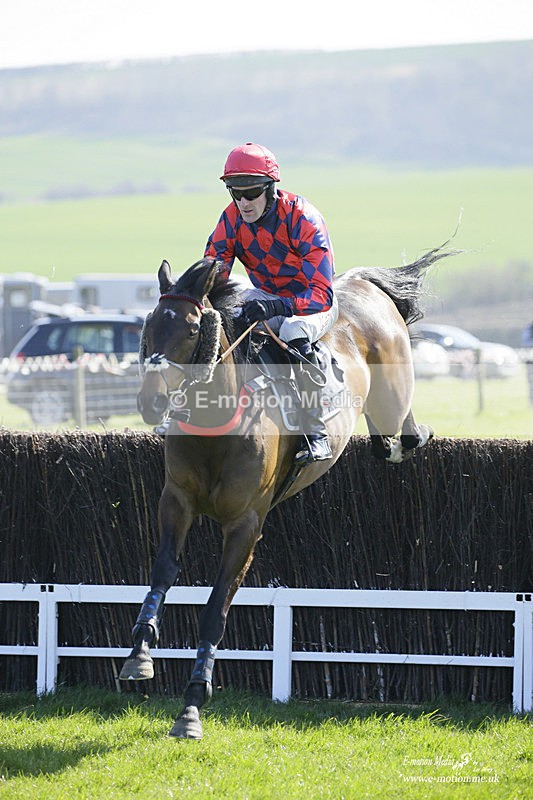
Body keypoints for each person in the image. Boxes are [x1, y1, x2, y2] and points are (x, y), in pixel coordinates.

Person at [204, 142, 338, 464]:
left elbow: (322, 293)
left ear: (270, 188)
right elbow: (213, 271)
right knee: (225, 318)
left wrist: (277, 307)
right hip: (268, 296)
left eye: (251, 193)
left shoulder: (303, 217)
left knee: (293, 331)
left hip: (312, 303)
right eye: (235, 193)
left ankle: (316, 431)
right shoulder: (231, 218)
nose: (243, 202)